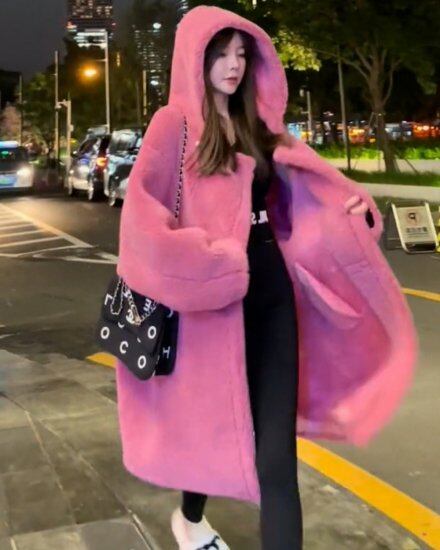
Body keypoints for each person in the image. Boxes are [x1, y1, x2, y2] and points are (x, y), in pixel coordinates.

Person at [115, 6, 418, 550]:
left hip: (272, 291)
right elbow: (142, 220)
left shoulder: (260, 125)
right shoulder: (174, 125)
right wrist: (207, 265)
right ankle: (190, 518)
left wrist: (349, 212)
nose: (233, 65)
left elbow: (308, 195)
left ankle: (198, 521)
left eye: (241, 54)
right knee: (212, 422)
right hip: (208, 307)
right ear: (196, 58)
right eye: (221, 54)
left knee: (275, 456)